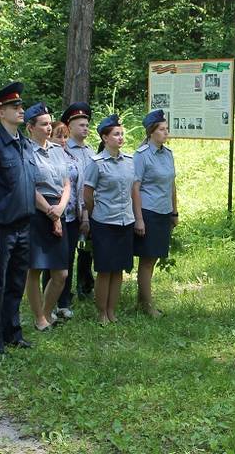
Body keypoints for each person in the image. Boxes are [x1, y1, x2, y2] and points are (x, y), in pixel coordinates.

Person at [0, 82, 56, 354]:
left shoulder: (24, 143)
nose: (21, 110)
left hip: (25, 224)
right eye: (15, 107)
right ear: (1, 112)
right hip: (2, 225)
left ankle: (13, 332)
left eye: (21, 105)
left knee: (16, 283)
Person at [83, 114, 139, 324]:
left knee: (119, 270)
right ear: (105, 138)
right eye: (116, 134)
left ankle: (112, 310)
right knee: (105, 269)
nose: (120, 138)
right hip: (104, 222)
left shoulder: (130, 162)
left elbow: (133, 190)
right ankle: (101, 313)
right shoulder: (96, 163)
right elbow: (87, 194)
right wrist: (95, 213)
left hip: (125, 221)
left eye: (121, 134)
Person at [23, 103, 72, 331]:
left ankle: (46, 311)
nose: (48, 129)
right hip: (37, 210)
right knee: (35, 269)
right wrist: (50, 212)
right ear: (30, 127)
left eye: (49, 124)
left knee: (61, 272)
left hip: (57, 209)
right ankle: (39, 318)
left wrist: (60, 208)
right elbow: (27, 186)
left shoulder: (56, 150)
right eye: (43, 125)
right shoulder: (25, 151)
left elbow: (66, 183)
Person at [131, 110, 178, 318]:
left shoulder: (168, 154)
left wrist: (174, 211)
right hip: (148, 212)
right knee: (147, 260)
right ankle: (147, 305)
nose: (166, 132)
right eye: (162, 129)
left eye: (167, 129)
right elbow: (135, 187)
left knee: (155, 257)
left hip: (164, 211)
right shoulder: (141, 155)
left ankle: (143, 301)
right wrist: (139, 218)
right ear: (151, 132)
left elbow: (172, 183)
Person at [55, 102, 94, 317]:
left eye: (87, 124)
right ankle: (62, 296)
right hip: (66, 210)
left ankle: (85, 286)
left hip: (86, 208)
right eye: (81, 124)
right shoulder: (62, 148)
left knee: (86, 251)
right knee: (65, 257)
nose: (85, 128)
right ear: (69, 126)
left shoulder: (89, 151)